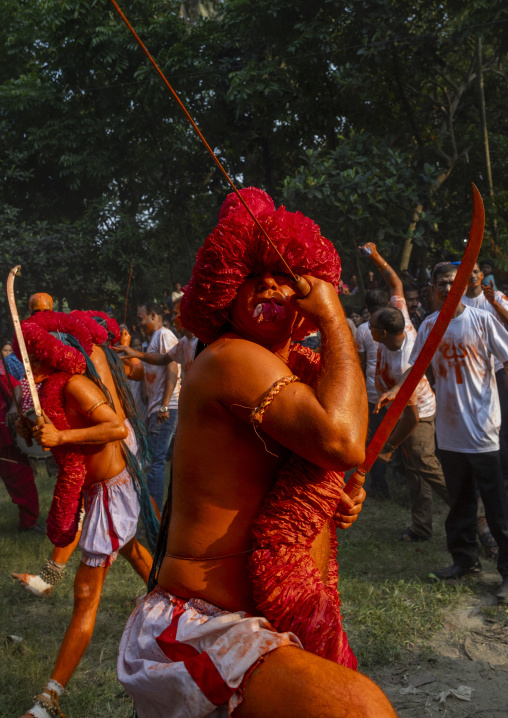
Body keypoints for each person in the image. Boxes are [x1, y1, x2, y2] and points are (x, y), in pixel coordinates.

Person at [117, 188, 396, 718]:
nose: (268, 283)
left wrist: (324, 502)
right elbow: (342, 440)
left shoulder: (285, 367)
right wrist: (336, 319)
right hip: (205, 627)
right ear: (223, 290)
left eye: (283, 273)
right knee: (359, 709)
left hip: (254, 627)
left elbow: (316, 459)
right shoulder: (232, 358)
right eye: (250, 274)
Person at [15, 313, 153, 718]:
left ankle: (48, 699)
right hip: (98, 492)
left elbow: (112, 428)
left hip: (113, 493)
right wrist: (34, 431)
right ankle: (174, 603)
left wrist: (61, 436)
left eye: (32, 360)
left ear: (49, 357)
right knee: (130, 551)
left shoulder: (75, 384)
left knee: (85, 595)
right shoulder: (47, 392)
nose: (26, 367)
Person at [378, 262, 508, 604]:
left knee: (496, 508)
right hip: (448, 433)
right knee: (460, 503)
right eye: (441, 283)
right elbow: (417, 368)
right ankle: (465, 562)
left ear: (463, 283)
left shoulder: (482, 320)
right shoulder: (431, 326)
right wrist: (396, 391)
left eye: (453, 281)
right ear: (434, 288)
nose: (447, 287)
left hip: (483, 431)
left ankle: (507, 574)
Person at [361, 243, 450, 540]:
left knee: (426, 465)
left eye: (371, 326)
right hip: (400, 409)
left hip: (419, 413)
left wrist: (387, 448)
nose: (367, 327)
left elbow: (411, 418)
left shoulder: (403, 361)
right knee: (415, 471)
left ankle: (474, 518)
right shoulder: (399, 316)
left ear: (382, 334)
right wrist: (375, 257)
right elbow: (395, 282)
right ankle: (422, 527)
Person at [136, 302, 180, 511]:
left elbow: (173, 367)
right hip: (158, 410)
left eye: (141, 318)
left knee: (156, 462)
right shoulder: (154, 338)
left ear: (153, 315)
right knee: (155, 462)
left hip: (167, 408)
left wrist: (164, 405)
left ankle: (155, 518)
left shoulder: (164, 335)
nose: (139, 324)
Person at [0, 358, 41, 533]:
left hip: (3, 435)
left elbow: (15, 386)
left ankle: (28, 523)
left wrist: (13, 409)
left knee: (20, 480)